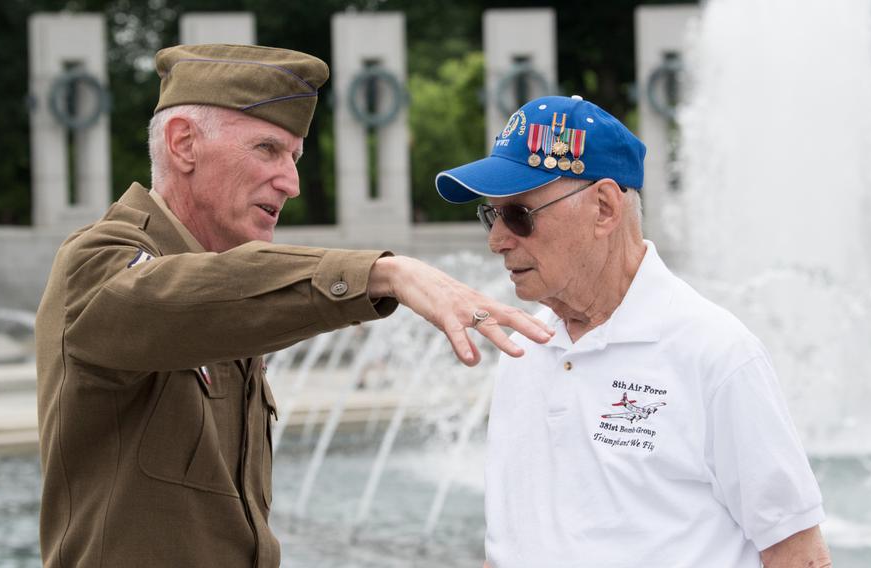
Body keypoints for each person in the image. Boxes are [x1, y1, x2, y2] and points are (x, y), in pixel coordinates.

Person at [34, 44, 553, 568]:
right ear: (184, 143)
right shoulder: (95, 263)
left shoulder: (227, 279)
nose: (292, 182)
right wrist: (384, 272)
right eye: (267, 149)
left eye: (294, 157)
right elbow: (174, 294)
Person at [435, 95, 831, 568]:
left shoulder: (716, 353)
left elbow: (798, 554)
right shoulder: (523, 347)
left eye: (519, 215)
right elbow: (509, 542)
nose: (497, 240)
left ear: (604, 207)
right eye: (490, 215)